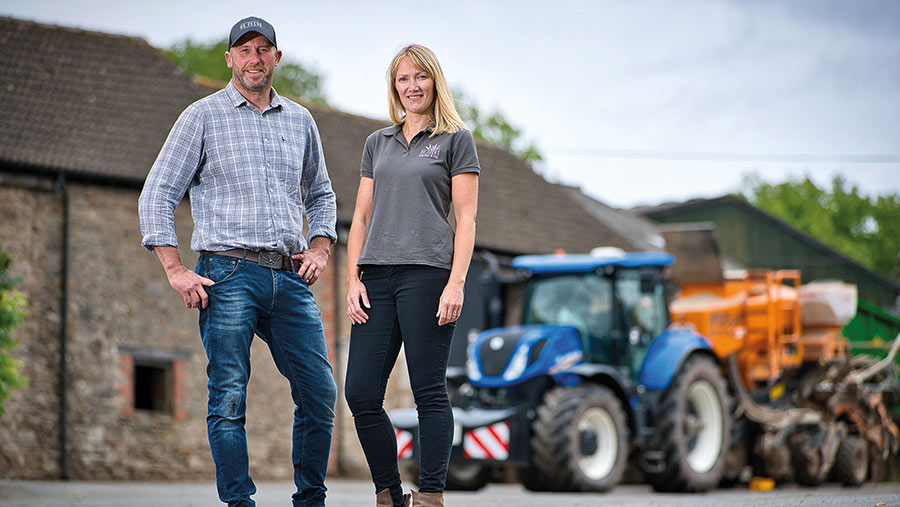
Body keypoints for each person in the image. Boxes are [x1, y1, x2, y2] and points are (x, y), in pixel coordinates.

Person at [138, 16, 337, 507]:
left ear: (277, 57)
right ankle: (239, 502)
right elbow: (157, 194)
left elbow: (323, 194)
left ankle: (310, 500)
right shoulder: (201, 117)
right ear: (230, 58)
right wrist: (176, 268)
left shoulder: (300, 120)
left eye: (264, 48)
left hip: (289, 278)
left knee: (320, 394)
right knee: (228, 396)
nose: (255, 58)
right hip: (226, 273)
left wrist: (320, 247)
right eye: (244, 50)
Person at [344, 44, 480, 507]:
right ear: (394, 87)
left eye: (420, 77)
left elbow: (466, 219)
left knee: (428, 391)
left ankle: (431, 496)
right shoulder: (376, 143)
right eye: (403, 79)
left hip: (428, 276)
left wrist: (456, 282)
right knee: (360, 392)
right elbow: (359, 219)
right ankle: (389, 494)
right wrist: (353, 280)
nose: (412, 87)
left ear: (434, 82)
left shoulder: (455, 139)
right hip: (376, 278)